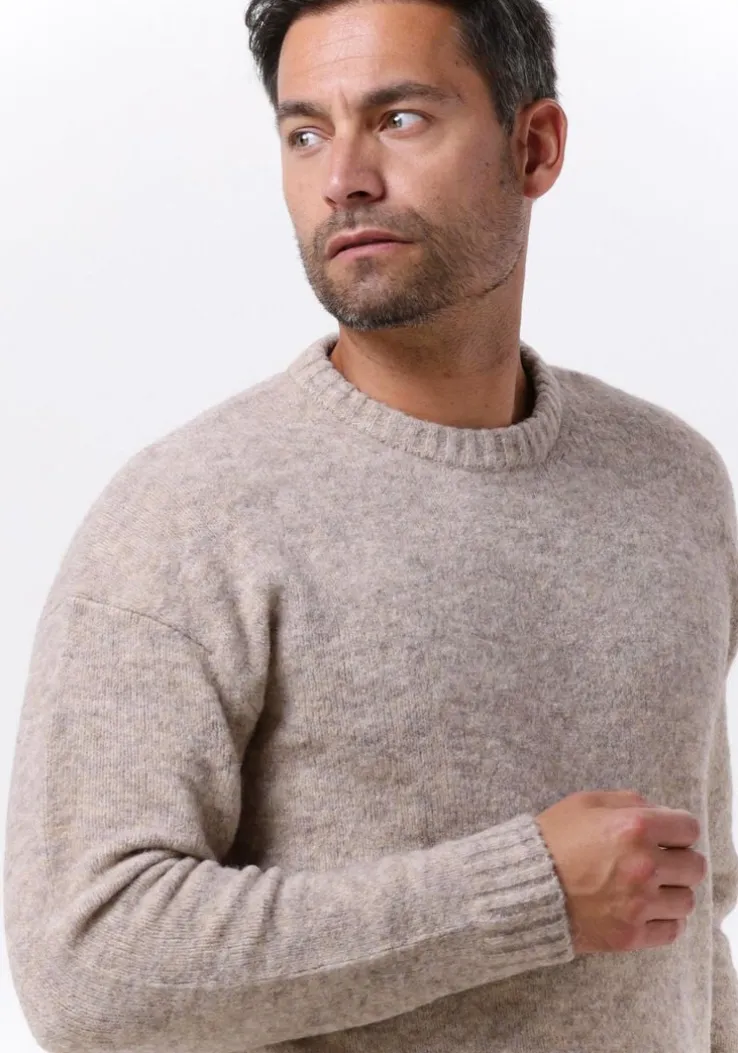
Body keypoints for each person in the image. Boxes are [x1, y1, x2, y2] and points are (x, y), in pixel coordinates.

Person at [4, 1, 737, 1051]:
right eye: (306, 133)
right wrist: (523, 891)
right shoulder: (187, 514)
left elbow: (687, 914)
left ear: (534, 147)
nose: (343, 177)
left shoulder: (672, 483)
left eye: (399, 119)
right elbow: (87, 966)